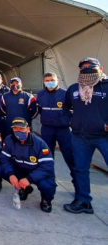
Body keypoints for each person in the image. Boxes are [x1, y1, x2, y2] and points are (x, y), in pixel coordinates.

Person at [62, 57, 108, 214]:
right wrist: (70, 121)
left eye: (91, 66)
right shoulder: (74, 88)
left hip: (104, 137)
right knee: (80, 169)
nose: (87, 69)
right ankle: (83, 201)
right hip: (79, 137)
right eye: (83, 67)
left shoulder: (106, 86)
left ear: (100, 69)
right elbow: (65, 108)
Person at [0, 117, 56, 213]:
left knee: (47, 186)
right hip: (21, 169)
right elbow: (4, 159)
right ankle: (25, 189)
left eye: (21, 129)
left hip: (37, 172)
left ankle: (46, 200)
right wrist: (11, 174)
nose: (18, 131)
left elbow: (47, 166)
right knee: (0, 169)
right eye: (16, 129)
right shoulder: (9, 140)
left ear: (28, 129)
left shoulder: (40, 144)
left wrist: (29, 179)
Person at [34, 72, 74, 183]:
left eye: (51, 80)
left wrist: (71, 122)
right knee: (47, 155)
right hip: (47, 129)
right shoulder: (41, 94)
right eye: (47, 80)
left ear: (57, 80)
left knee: (69, 155)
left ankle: (77, 183)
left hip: (63, 130)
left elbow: (74, 110)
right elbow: (38, 110)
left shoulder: (65, 94)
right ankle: (49, 180)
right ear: (43, 82)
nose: (49, 82)